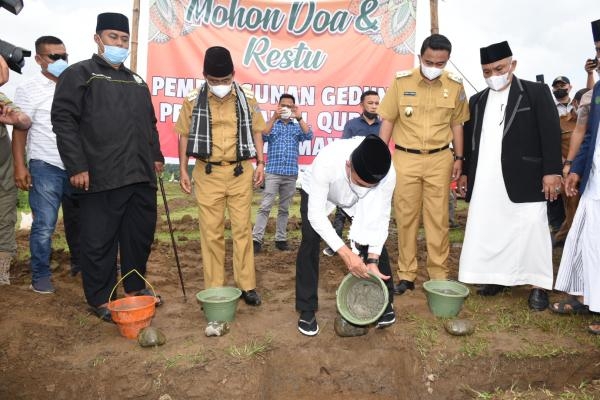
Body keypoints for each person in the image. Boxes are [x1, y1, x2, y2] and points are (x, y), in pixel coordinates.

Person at [51, 13, 165, 321]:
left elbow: (150, 125)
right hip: (99, 176)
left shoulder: (137, 81)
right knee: (98, 241)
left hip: (140, 176)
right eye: (113, 37)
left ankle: (135, 289)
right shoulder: (80, 74)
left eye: (124, 39)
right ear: (98, 39)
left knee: (138, 238)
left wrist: (156, 155)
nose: (119, 44)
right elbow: (64, 121)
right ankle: (100, 298)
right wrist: (76, 165)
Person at [457, 41, 562, 311]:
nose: (494, 75)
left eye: (499, 68)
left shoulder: (536, 92)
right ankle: (497, 278)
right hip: (486, 178)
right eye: (487, 71)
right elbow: (471, 141)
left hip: (527, 176)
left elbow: (550, 134)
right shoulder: (477, 100)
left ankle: (537, 285)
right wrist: (467, 173)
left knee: (532, 228)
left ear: (512, 64)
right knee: (491, 228)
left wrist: (551, 171)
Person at [378, 34, 469, 295]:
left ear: (447, 60)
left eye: (440, 63)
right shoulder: (401, 82)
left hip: (440, 158)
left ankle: (438, 274)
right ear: (420, 57)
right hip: (406, 158)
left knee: (438, 218)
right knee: (405, 217)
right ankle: (406, 274)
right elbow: (388, 121)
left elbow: (457, 124)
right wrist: (380, 156)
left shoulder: (455, 86)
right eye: (429, 61)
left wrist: (459, 159)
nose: (434, 66)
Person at [176, 46, 266, 306]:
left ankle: (247, 286)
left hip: (240, 172)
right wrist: (183, 168)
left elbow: (258, 131)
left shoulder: (247, 98)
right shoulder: (193, 100)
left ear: (233, 75)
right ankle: (215, 288)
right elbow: (183, 134)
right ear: (204, 76)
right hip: (207, 172)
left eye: (225, 80)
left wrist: (260, 162)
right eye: (214, 81)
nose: (220, 85)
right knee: (211, 233)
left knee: (242, 231)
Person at [296, 134, 396, 336]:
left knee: (371, 237)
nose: (363, 188)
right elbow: (316, 216)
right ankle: (307, 309)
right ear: (348, 165)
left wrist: (373, 259)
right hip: (323, 193)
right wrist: (347, 254)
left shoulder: (387, 173)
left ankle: (385, 303)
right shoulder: (327, 162)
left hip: (361, 203)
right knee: (310, 239)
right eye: (360, 182)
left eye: (369, 185)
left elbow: (381, 217)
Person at [11, 36, 81, 294]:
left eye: (64, 56)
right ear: (39, 59)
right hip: (45, 165)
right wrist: (20, 166)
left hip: (76, 166)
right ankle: (40, 275)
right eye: (54, 57)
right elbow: (20, 130)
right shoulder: (28, 89)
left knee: (80, 223)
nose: (61, 61)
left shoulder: (76, 85)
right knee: (44, 225)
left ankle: (80, 265)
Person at [552, 18, 600, 334]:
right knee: (586, 237)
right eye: (598, 49)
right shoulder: (596, 93)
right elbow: (586, 134)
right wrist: (575, 169)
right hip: (595, 179)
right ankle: (586, 297)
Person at [323, 90, 381, 257]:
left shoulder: (383, 126)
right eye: (370, 103)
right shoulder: (352, 125)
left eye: (377, 103)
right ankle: (335, 245)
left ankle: (365, 247)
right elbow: (343, 149)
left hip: (373, 178)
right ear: (362, 105)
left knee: (368, 212)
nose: (374, 106)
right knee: (342, 211)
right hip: (352, 175)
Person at [252, 93, 312, 253]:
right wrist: (273, 117)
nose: (286, 108)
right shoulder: (273, 124)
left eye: (290, 106)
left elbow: (309, 135)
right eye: (283, 105)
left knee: (284, 209)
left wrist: (299, 117)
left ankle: (280, 239)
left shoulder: (296, 126)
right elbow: (262, 135)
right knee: (265, 206)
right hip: (273, 172)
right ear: (278, 107)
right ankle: (256, 239)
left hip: (291, 173)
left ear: (293, 108)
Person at [0, 56, 32, 285]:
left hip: (3, 178)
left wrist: (17, 118)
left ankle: (1, 273)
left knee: (4, 220)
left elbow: (23, 120)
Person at [553, 87, 590, 247]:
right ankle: (566, 241)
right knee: (573, 211)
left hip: (589, 172)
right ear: (575, 103)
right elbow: (554, 147)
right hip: (570, 174)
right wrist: (564, 167)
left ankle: (561, 238)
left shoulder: (593, 122)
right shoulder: (560, 122)